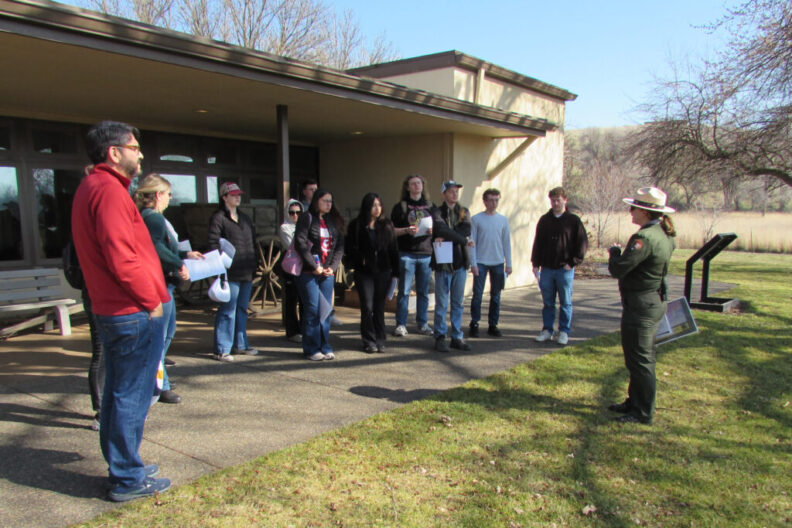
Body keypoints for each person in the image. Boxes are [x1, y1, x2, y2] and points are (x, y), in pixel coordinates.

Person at [71, 121, 171, 501]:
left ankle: (124, 466)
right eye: (134, 146)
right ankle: (128, 477)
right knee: (131, 394)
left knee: (116, 393)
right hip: (131, 311)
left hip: (113, 309)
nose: (140, 153)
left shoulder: (91, 188)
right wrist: (151, 302)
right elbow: (121, 258)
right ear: (114, 153)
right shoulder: (109, 191)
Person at [607, 187, 676, 425]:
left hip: (642, 305)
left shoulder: (644, 238)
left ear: (645, 212)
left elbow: (619, 268)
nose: (630, 212)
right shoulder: (663, 234)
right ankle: (634, 401)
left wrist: (614, 252)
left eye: (634, 208)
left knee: (641, 359)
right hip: (650, 301)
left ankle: (642, 411)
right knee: (636, 357)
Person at [135, 174, 204, 404]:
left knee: (166, 335)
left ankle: (159, 379)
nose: (169, 198)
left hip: (164, 286)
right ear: (157, 195)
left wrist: (184, 254)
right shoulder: (153, 219)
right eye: (168, 194)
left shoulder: (149, 217)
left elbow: (164, 249)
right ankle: (158, 384)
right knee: (161, 337)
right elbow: (156, 249)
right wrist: (179, 263)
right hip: (159, 286)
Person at [530, 186, 588, 346]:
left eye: (558, 200)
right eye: (553, 200)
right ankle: (547, 330)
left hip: (564, 269)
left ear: (565, 200)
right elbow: (538, 243)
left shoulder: (573, 221)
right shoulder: (544, 220)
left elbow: (582, 243)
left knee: (565, 302)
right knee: (548, 303)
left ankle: (563, 332)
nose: (555, 203)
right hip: (547, 269)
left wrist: (573, 262)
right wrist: (535, 263)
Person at [207, 182, 258, 362]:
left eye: (239, 194)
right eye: (233, 194)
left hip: (246, 270)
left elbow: (253, 242)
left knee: (242, 309)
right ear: (224, 197)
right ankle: (222, 348)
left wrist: (255, 263)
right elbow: (213, 243)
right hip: (230, 272)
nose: (237, 197)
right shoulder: (218, 218)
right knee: (228, 309)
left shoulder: (244, 218)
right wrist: (220, 267)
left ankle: (240, 344)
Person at [294, 188, 346, 360]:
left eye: (330, 201)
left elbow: (339, 247)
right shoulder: (306, 218)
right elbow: (300, 244)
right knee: (312, 309)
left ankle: (325, 346)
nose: (328, 204)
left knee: (325, 311)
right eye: (325, 201)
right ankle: (311, 349)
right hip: (308, 272)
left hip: (327, 272)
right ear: (316, 201)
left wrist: (333, 266)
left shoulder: (333, 221)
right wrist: (313, 266)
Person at [346, 192, 400, 353]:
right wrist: (359, 259)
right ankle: (368, 340)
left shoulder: (387, 224)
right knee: (367, 307)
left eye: (379, 205)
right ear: (367, 207)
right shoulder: (356, 225)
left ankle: (380, 338)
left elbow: (393, 250)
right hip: (364, 272)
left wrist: (396, 273)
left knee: (379, 306)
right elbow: (349, 249)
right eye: (373, 205)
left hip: (383, 271)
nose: (377, 208)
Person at [431, 181, 475, 352]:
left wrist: (448, 236)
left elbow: (465, 230)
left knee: (457, 302)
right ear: (444, 194)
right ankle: (440, 336)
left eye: (456, 191)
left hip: (459, 264)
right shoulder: (437, 211)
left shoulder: (464, 212)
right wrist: (462, 240)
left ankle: (457, 336)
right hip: (443, 264)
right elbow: (441, 229)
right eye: (451, 191)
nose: (454, 194)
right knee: (442, 303)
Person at [390, 173, 435, 337]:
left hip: (425, 253)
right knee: (404, 291)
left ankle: (422, 323)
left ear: (423, 186)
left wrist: (433, 230)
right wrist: (406, 230)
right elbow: (391, 231)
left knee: (424, 292)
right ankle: (401, 324)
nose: (417, 186)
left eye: (419, 183)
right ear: (407, 187)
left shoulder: (430, 206)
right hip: (406, 254)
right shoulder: (401, 207)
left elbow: (440, 227)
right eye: (413, 184)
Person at [468, 188, 512, 338]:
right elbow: (471, 243)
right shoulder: (476, 219)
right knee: (478, 295)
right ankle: (474, 323)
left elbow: (506, 243)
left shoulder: (503, 220)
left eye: (496, 200)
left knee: (496, 295)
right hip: (480, 261)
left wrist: (509, 263)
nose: (494, 203)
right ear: (485, 201)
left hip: (498, 263)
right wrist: (473, 263)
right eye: (491, 200)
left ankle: (493, 324)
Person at [279, 199, 304, 343]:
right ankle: (292, 331)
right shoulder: (285, 228)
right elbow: (291, 245)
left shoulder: (304, 226)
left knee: (304, 299)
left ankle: (304, 328)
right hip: (290, 266)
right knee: (291, 299)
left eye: (298, 212)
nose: (295, 215)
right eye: (292, 212)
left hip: (304, 266)